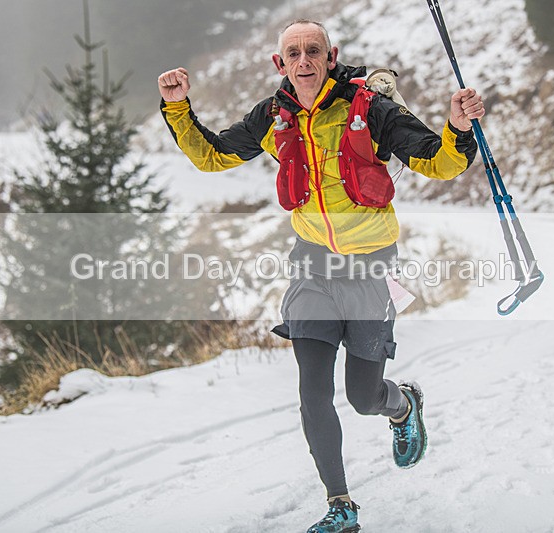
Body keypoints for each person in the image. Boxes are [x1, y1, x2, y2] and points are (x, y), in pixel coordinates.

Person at [158, 19, 484, 533]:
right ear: (280, 64)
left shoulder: (370, 108)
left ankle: (402, 406)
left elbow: (438, 162)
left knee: (362, 397)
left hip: (370, 269)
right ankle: (341, 505)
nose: (303, 60)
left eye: (313, 50)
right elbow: (214, 156)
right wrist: (178, 107)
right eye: (293, 53)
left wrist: (459, 128)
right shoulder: (273, 116)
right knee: (312, 389)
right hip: (311, 267)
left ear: (331, 57)